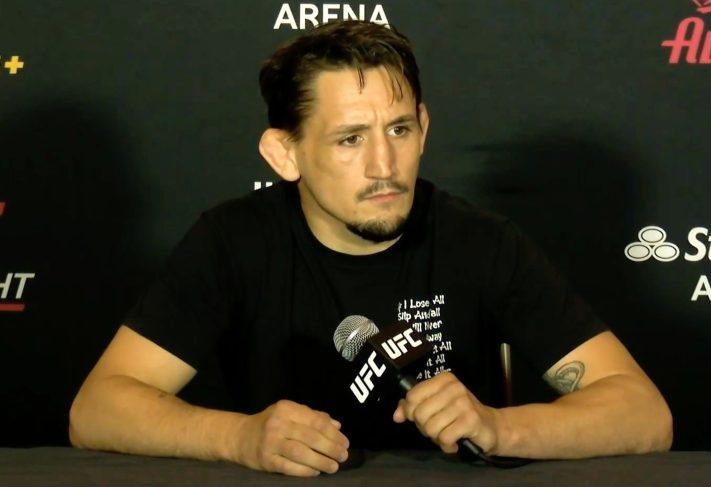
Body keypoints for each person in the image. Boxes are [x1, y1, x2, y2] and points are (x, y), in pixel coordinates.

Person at [68, 20, 672, 477]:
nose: (385, 166)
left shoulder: (481, 242)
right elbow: (95, 409)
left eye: (399, 130)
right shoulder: (232, 241)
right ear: (284, 154)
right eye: (350, 139)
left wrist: (500, 427)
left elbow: (645, 414)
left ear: (423, 129)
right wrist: (239, 438)